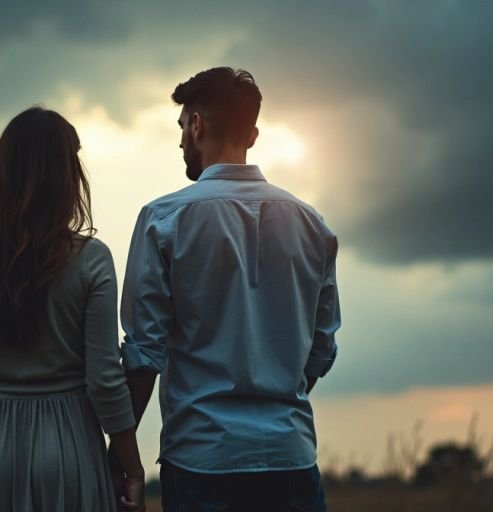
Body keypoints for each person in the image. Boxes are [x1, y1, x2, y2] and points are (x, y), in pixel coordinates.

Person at [114, 67, 340, 511]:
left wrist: (118, 455)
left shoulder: (164, 220)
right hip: (292, 460)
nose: (181, 141)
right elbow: (321, 351)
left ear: (196, 124)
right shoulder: (314, 225)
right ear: (252, 135)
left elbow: (143, 354)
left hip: (202, 462)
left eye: (181, 127)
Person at [0, 107, 146, 511]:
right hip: (70, 452)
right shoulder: (92, 260)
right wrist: (131, 468)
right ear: (67, 178)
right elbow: (103, 378)